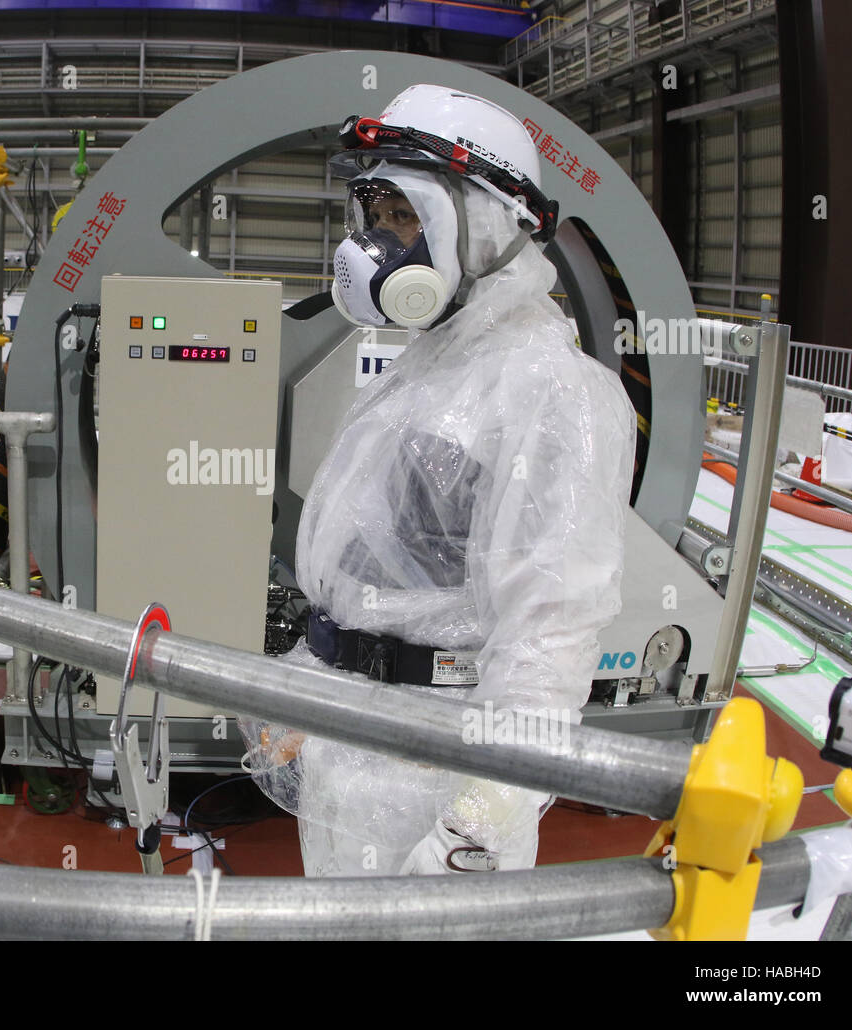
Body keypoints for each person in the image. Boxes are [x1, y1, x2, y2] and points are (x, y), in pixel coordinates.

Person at [241, 85, 636, 877]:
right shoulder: (430, 366)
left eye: (404, 219)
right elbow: (376, 568)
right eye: (375, 221)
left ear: (482, 222)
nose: (380, 248)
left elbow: (549, 638)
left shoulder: (554, 391)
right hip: (358, 750)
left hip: (439, 780)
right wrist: (314, 686)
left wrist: (478, 826)